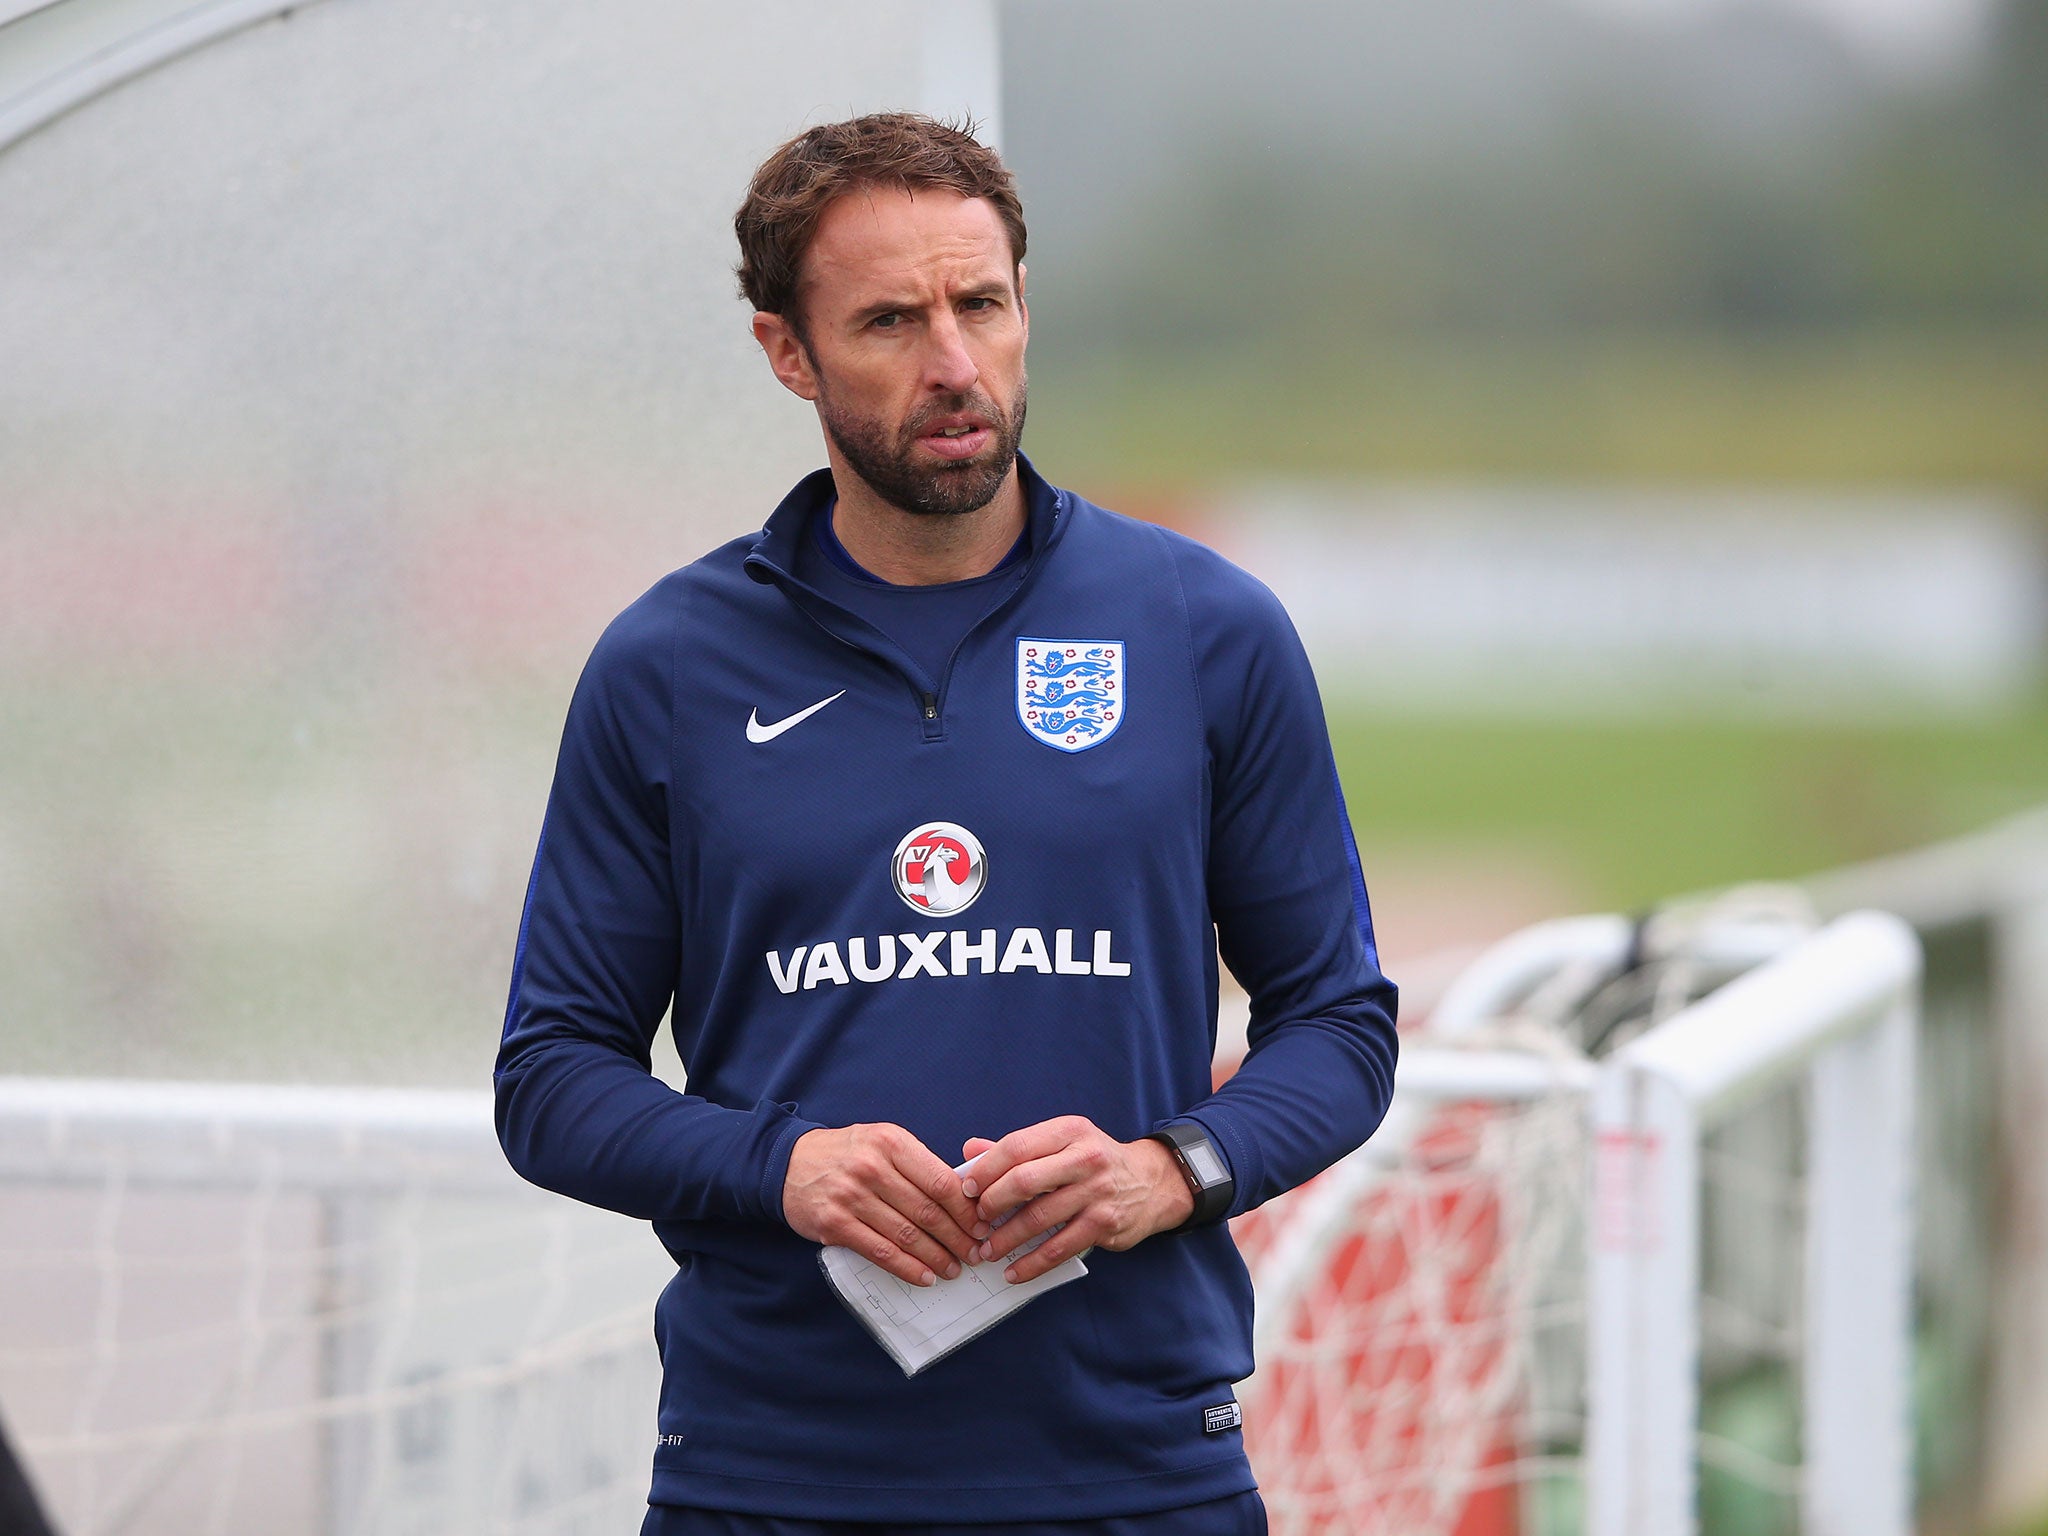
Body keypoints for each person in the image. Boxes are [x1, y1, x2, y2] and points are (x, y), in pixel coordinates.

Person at [494, 113, 1398, 1535]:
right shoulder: (666, 667)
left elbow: (1341, 1023)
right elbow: (549, 1079)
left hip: (1138, 1474)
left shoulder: (1201, 628)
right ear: (786, 352)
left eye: (981, 303)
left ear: (1026, 303)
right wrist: (780, 1167)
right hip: (770, 1477)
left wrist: (1171, 1171)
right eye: (889, 322)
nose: (954, 365)